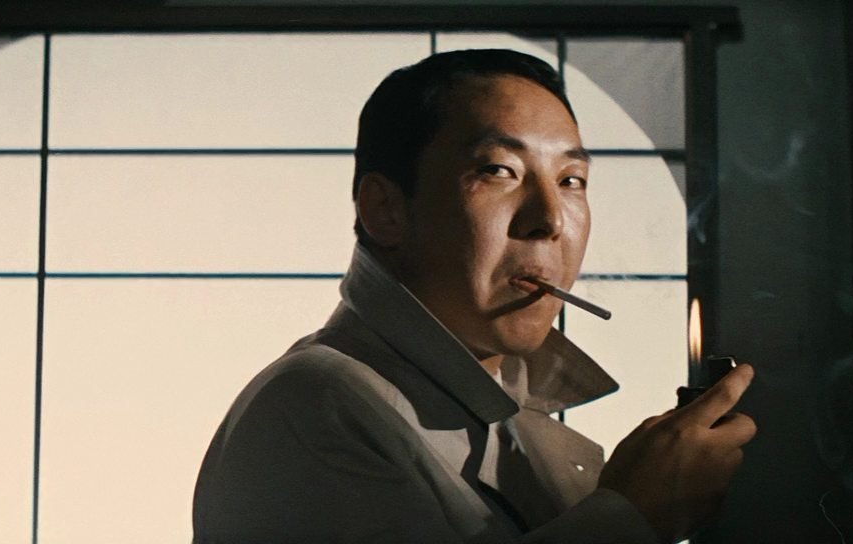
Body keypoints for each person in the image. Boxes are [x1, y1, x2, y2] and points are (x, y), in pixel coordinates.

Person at [192, 49, 756, 543]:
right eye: (499, 170)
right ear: (386, 210)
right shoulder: (317, 405)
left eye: (571, 180)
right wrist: (631, 517)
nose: (550, 219)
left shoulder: (506, 409)